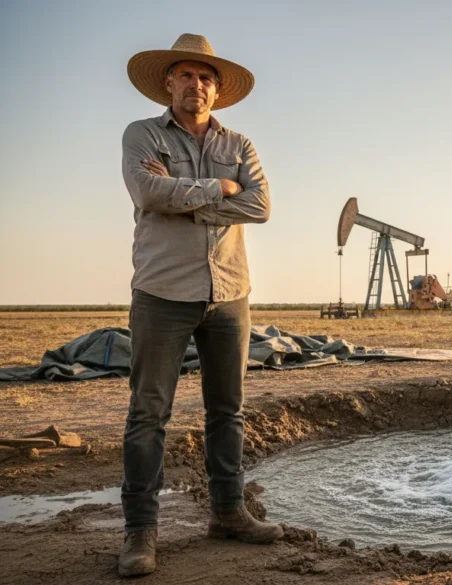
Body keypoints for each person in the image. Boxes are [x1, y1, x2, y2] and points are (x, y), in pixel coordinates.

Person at [119, 33, 280, 577]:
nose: (197, 85)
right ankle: (141, 532)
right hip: (162, 292)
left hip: (230, 292)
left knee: (227, 412)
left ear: (218, 89)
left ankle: (229, 513)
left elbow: (260, 206)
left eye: (206, 78)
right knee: (148, 415)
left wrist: (186, 199)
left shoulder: (240, 143)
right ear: (168, 82)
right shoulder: (142, 134)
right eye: (186, 75)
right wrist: (220, 190)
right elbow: (146, 192)